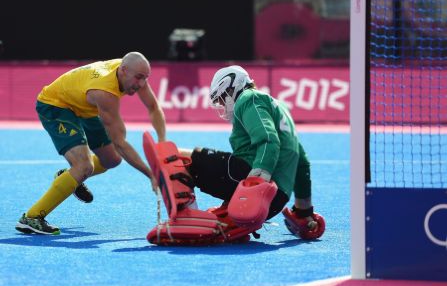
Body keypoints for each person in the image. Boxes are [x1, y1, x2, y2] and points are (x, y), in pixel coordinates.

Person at [16, 52, 166, 235]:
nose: (142, 84)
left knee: (112, 159)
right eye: (139, 78)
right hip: (57, 105)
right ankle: (31, 217)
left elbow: (153, 107)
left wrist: (162, 143)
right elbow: (120, 142)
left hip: (83, 105)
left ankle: (69, 177)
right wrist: (151, 175)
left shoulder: (132, 72)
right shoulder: (104, 92)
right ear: (124, 70)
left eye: (145, 78)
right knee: (83, 165)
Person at [179, 65, 324, 239]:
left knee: (176, 157)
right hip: (276, 200)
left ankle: (186, 218)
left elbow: (268, 139)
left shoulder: (249, 98)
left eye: (222, 99)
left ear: (231, 87)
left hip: (258, 185)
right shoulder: (279, 108)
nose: (222, 105)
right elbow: (301, 163)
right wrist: (303, 211)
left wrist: (257, 182)